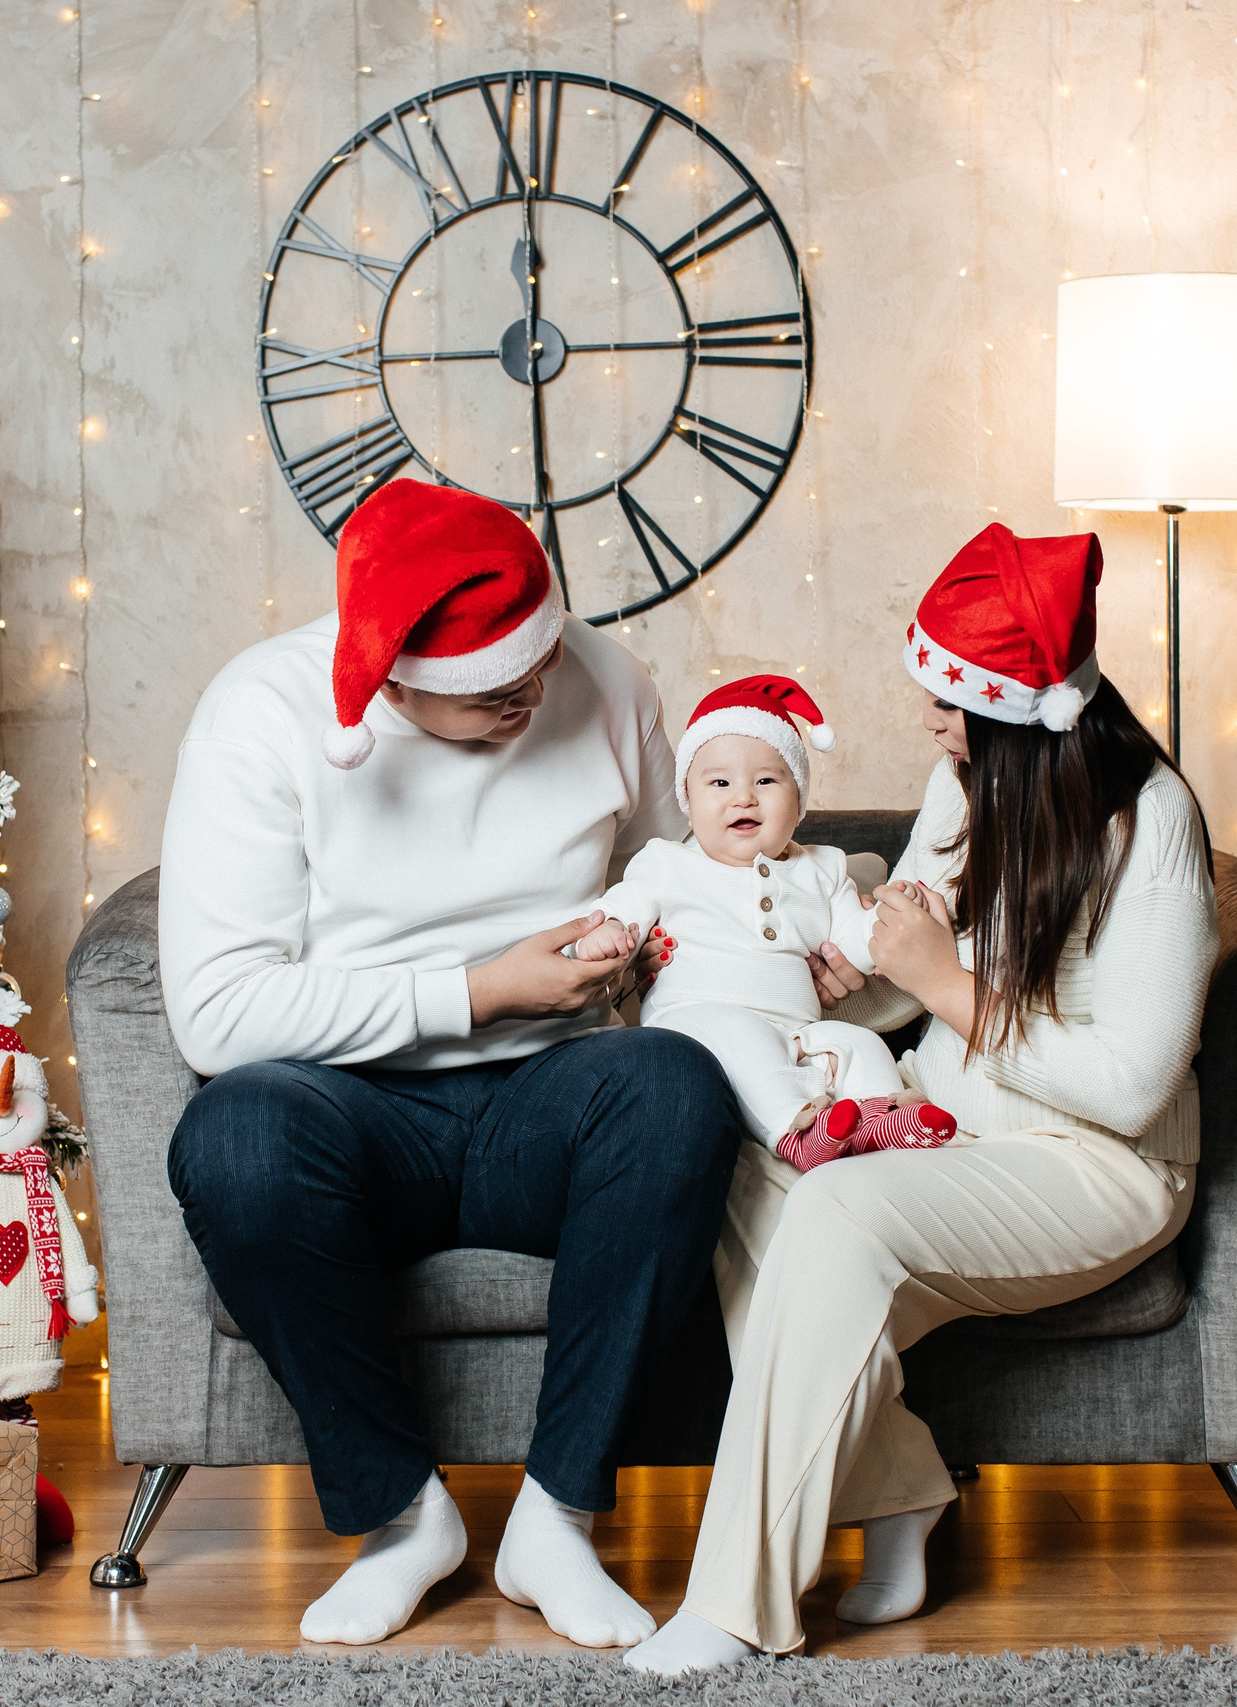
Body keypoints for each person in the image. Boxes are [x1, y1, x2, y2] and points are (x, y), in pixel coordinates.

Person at [159, 478, 743, 1650]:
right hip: (350, 1104)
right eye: (486, 695)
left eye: (535, 669)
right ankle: (400, 1517)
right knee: (233, 1138)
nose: (528, 699)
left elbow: (676, 890)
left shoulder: (609, 683)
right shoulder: (261, 713)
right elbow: (216, 1016)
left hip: (552, 1092)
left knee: (677, 1088)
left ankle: (557, 1519)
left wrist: (679, 947)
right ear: (387, 676)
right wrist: (476, 990)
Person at [625, 523, 1217, 1674]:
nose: (931, 728)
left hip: (1089, 1163)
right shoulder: (969, 779)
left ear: (1014, 712)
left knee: (839, 1211)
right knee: (747, 1173)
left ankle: (734, 1608)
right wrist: (846, 972)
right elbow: (903, 939)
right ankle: (902, 1492)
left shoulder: (1153, 824)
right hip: (948, 1127)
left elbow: (1134, 1087)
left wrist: (942, 982)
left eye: (950, 709)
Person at [563, 673, 958, 1167]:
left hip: (797, 1026)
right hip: (697, 1019)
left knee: (859, 1043)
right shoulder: (668, 862)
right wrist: (606, 933)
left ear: (800, 803)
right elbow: (628, 905)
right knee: (741, 1036)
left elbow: (853, 945)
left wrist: (891, 915)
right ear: (688, 799)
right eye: (720, 782)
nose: (743, 797)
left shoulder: (823, 868)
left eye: (767, 780)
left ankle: (878, 1119)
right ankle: (794, 1133)